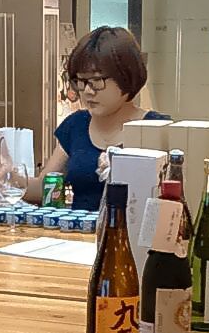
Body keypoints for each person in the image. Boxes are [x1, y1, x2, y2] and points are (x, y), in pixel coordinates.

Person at [31, 26, 168, 211]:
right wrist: (11, 179)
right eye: (81, 81)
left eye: (97, 81)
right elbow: (44, 188)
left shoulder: (156, 127)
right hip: (77, 233)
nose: (87, 91)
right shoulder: (76, 124)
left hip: (127, 236)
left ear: (125, 77)